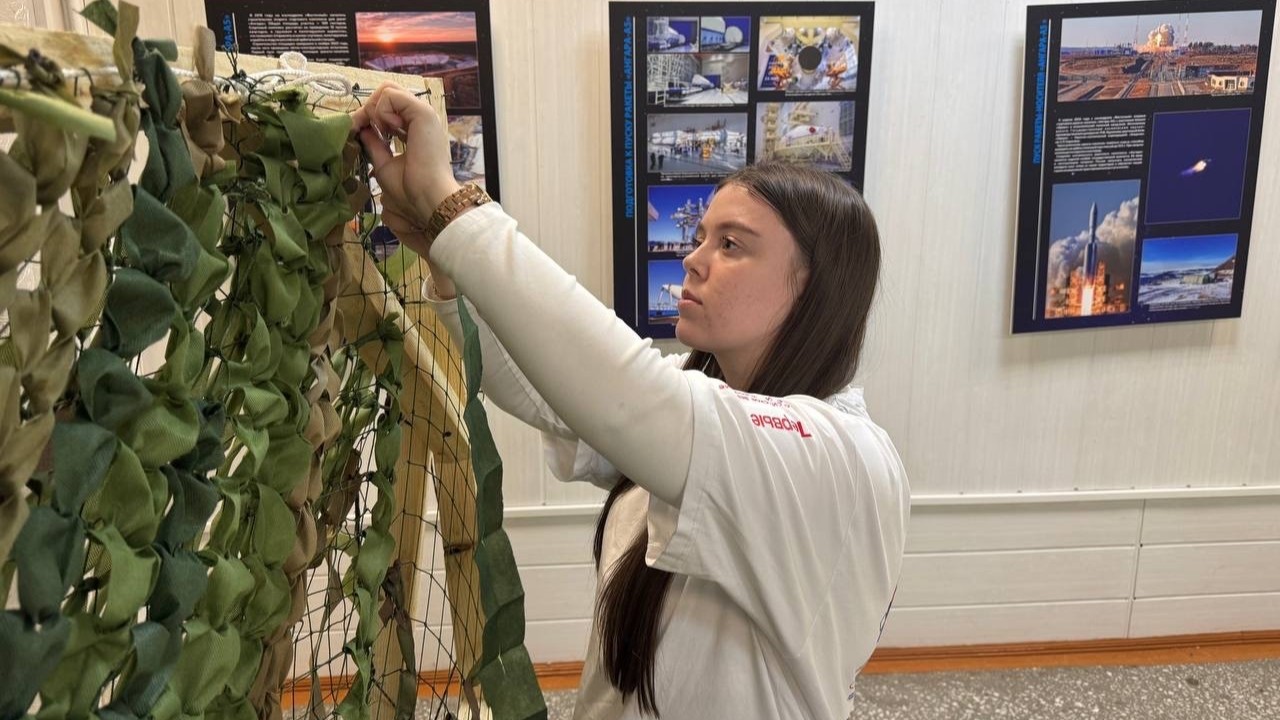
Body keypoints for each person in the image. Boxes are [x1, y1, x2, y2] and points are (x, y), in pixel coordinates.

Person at [354, 85, 909, 720]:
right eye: (701, 236)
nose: (693, 260)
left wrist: (454, 209)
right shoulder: (705, 404)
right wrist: (445, 253)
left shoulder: (837, 457)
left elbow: (626, 396)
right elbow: (547, 388)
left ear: (815, 287)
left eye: (731, 245)